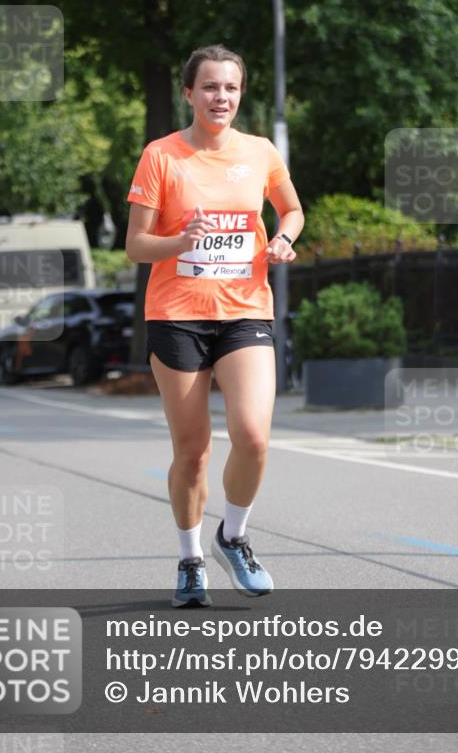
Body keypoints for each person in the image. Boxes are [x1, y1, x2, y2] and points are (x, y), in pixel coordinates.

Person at [125, 44, 304, 607]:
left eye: (230, 87)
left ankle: (234, 536)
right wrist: (180, 242)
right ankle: (190, 560)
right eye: (209, 87)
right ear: (189, 93)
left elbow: (292, 209)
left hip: (245, 309)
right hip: (177, 316)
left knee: (253, 436)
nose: (220, 97)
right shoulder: (161, 156)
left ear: (240, 94)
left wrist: (283, 239)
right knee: (194, 451)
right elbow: (136, 245)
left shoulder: (260, 152)